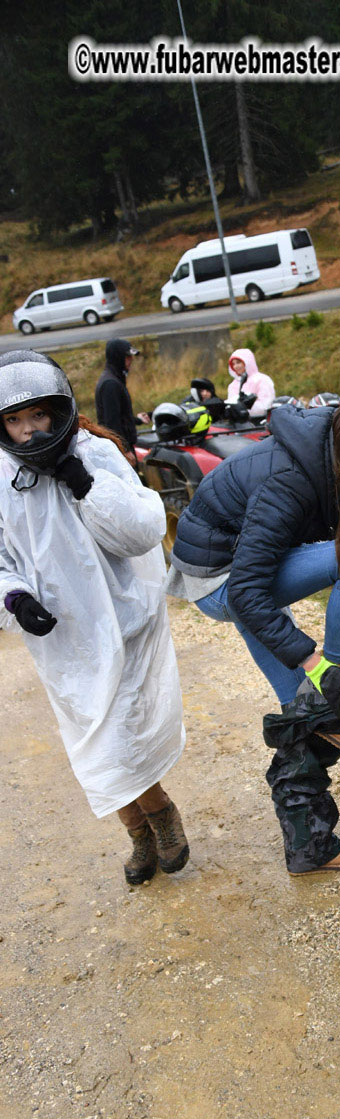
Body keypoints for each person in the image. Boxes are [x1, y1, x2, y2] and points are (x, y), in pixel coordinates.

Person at [166, 395, 340, 873]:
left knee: (298, 714)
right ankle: (333, 675)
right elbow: (247, 591)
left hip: (244, 570)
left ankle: (309, 848)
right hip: (220, 580)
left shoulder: (332, 452)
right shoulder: (289, 478)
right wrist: (314, 662)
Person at [0, 349, 190, 886]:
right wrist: (14, 598)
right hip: (64, 640)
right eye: (14, 421)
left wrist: (83, 484)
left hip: (125, 621)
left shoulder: (95, 454)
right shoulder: (1, 476)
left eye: (38, 416)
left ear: (59, 410)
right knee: (92, 743)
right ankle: (141, 831)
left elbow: (144, 530)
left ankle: (159, 820)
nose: (29, 432)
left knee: (121, 738)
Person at [94, 338, 149, 466]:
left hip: (122, 446)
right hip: (119, 450)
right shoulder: (111, 384)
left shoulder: (115, 379)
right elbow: (112, 422)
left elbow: (120, 416)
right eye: (128, 357)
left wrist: (137, 420)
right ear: (117, 358)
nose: (131, 360)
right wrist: (124, 450)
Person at [226, 349, 276, 419]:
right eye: (233, 364)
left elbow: (266, 404)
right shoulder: (232, 385)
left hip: (260, 423)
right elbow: (231, 406)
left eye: (238, 362)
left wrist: (244, 408)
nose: (236, 366)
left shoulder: (262, 380)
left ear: (247, 362)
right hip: (239, 424)